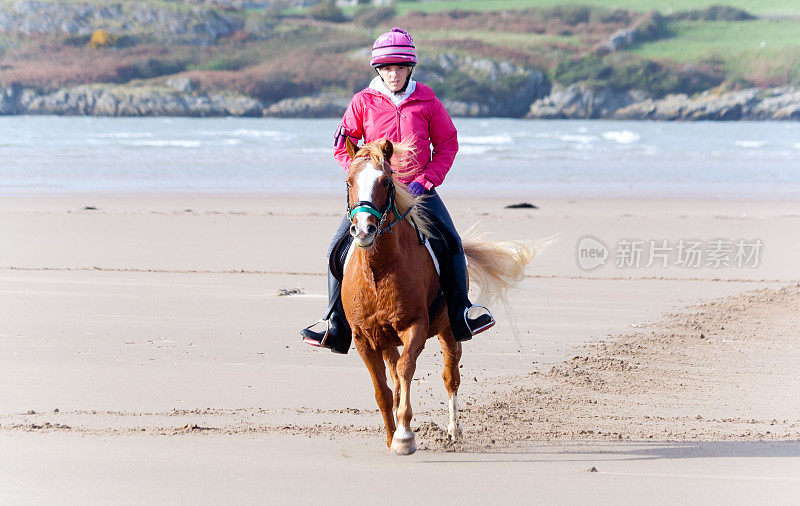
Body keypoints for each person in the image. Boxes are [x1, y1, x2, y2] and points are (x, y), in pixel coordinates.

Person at [300, 27, 494, 354]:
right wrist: (366, 175)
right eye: (388, 68)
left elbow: (447, 144)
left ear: (410, 69)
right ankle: (334, 321)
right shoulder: (362, 102)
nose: (394, 74)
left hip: (419, 189)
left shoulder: (427, 99)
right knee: (337, 247)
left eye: (400, 68)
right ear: (379, 70)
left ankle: (462, 312)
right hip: (376, 193)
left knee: (451, 242)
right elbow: (342, 148)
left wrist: (426, 180)